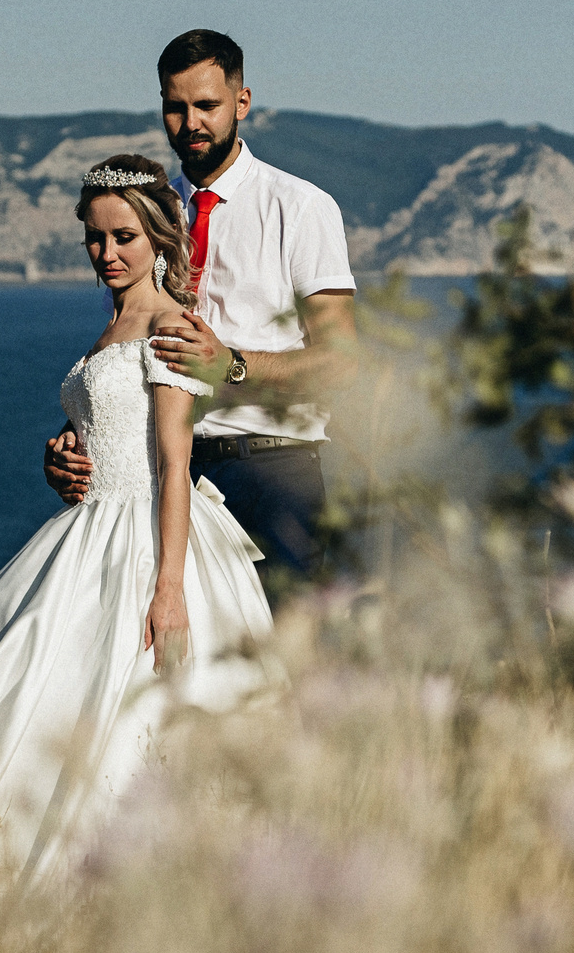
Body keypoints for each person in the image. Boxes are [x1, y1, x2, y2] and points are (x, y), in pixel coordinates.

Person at [0, 156, 272, 918]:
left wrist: (168, 590)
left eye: (123, 236)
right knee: (37, 693)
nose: (107, 253)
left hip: (146, 538)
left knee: (130, 714)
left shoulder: (168, 326)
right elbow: (106, 426)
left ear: (160, 236)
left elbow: (171, 463)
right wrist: (63, 452)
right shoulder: (115, 325)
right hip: (89, 529)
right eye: (95, 239)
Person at [45, 30, 357, 573]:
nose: (191, 124)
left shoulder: (301, 208)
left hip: (268, 470)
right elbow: (131, 352)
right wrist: (83, 441)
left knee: (276, 651)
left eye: (207, 106)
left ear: (242, 102)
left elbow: (342, 361)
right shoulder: (146, 219)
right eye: (176, 107)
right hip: (158, 479)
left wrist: (230, 367)